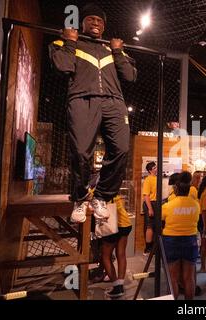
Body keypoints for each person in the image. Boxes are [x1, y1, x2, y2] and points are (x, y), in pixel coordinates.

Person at [49, 3, 137, 223]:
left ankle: (101, 196)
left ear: (104, 26)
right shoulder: (68, 41)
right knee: (80, 152)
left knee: (122, 149)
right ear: (82, 23)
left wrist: (118, 51)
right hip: (82, 98)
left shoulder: (113, 48)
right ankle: (80, 198)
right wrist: (70, 41)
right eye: (91, 19)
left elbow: (130, 76)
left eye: (99, 21)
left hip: (114, 102)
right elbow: (63, 67)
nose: (95, 23)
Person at [161, 172, 200, 299]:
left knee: (173, 278)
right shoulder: (195, 205)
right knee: (189, 278)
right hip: (190, 240)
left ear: (176, 189)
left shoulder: (167, 206)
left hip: (171, 241)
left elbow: (161, 220)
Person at [102, 195, 132, 298]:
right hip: (125, 224)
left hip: (112, 226)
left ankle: (116, 287)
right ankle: (120, 285)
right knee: (121, 254)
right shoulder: (115, 191)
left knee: (106, 256)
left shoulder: (97, 191)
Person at [142, 162, 157, 255]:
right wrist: (150, 208)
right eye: (154, 167)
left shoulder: (156, 178)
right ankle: (148, 248)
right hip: (150, 203)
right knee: (149, 225)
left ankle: (154, 247)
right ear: (150, 170)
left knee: (155, 225)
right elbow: (146, 195)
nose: (156, 168)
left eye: (156, 167)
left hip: (156, 203)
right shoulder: (148, 179)